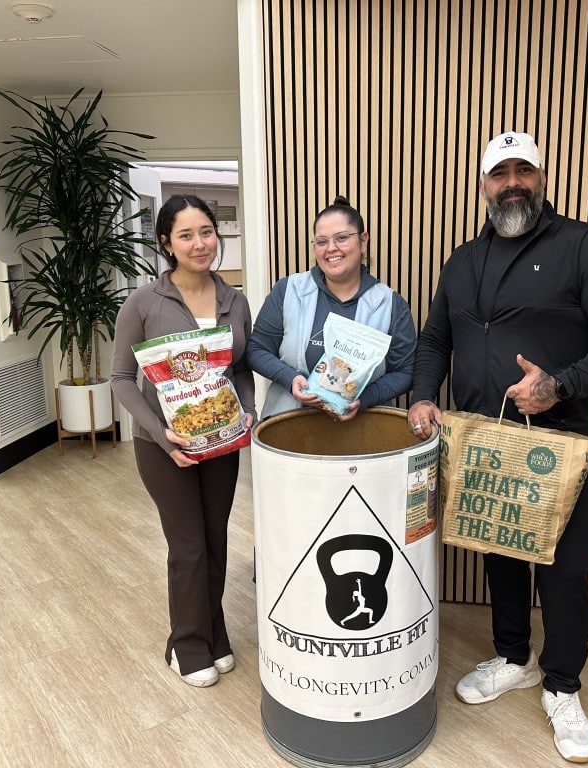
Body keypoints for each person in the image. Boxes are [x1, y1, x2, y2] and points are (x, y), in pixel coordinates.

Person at [408, 132, 588, 763]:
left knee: (564, 569)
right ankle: (514, 657)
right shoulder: (463, 261)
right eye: (500, 173)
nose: (512, 182)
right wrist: (423, 395)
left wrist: (559, 384)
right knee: (501, 553)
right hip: (484, 443)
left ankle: (563, 685)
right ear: (483, 185)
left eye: (524, 170)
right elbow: (435, 340)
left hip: (559, 444)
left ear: (542, 177)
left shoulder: (585, 247)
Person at [110, 194, 256, 688]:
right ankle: (186, 644)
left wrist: (247, 409)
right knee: (189, 545)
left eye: (206, 232)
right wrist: (160, 432)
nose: (200, 244)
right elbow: (121, 379)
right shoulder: (144, 302)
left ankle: (214, 633)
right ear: (167, 243)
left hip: (222, 442)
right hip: (163, 446)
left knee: (215, 541)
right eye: (186, 235)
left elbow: (239, 368)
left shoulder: (235, 300)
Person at [246, 196, 416, 419]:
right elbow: (256, 349)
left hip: (361, 429)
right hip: (288, 426)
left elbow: (406, 371)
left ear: (363, 241)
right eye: (322, 241)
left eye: (342, 238)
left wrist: (364, 398)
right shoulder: (289, 291)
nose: (331, 248)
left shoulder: (390, 304)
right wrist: (290, 378)